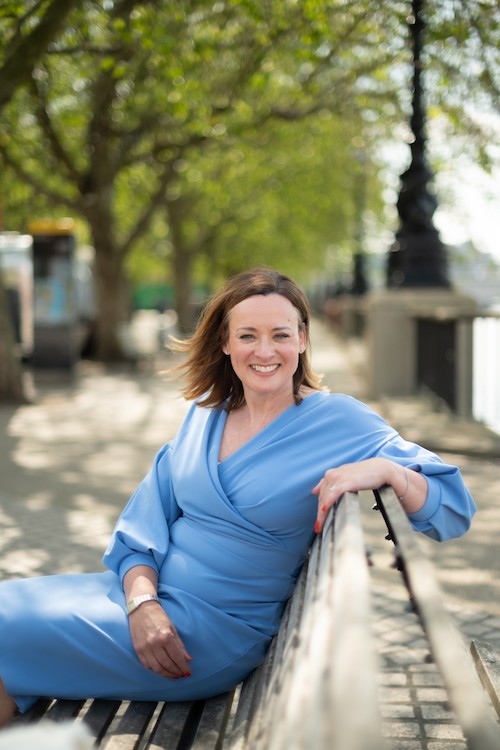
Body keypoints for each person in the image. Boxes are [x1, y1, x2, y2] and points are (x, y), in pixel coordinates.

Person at [0, 266, 476, 725]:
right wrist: (142, 602)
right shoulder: (204, 416)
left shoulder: (342, 421)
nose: (264, 350)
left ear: (303, 339)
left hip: (207, 633)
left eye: (281, 334)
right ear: (226, 343)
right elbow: (143, 524)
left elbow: (453, 508)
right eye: (248, 335)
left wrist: (386, 467)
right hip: (142, 602)